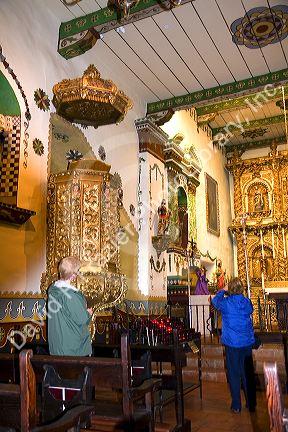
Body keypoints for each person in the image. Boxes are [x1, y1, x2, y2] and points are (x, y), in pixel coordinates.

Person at [212, 277, 256, 413]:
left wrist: (222, 290)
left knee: (234, 374)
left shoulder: (226, 303)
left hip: (232, 344)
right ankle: (250, 403)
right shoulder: (247, 302)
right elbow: (250, 310)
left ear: (230, 289)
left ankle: (236, 405)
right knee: (246, 373)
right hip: (247, 343)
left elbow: (214, 301)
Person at [47, 256, 93, 356]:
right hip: (72, 348)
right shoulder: (70, 295)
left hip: (58, 346)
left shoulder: (54, 291)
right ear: (73, 275)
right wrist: (88, 313)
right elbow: (81, 319)